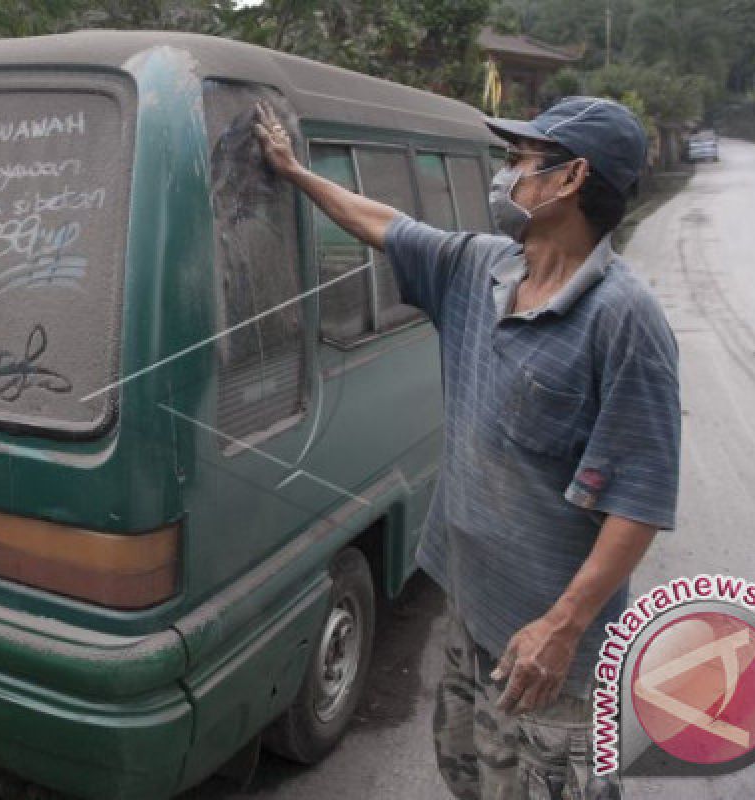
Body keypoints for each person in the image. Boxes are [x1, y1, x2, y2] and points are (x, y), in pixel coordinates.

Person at [253, 96, 680, 799]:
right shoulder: (481, 268)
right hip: (472, 608)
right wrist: (295, 172)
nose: (505, 173)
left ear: (571, 180)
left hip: (552, 653)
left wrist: (562, 627)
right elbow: (384, 224)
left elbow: (638, 501)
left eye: (520, 160)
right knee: (469, 772)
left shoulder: (624, 319)